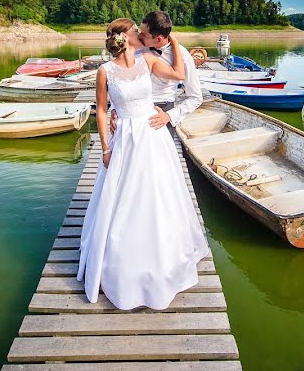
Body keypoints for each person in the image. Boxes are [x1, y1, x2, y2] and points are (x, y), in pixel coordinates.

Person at [77, 18, 210, 310]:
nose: (140, 34)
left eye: (143, 31)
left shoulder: (149, 58)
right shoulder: (105, 70)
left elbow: (178, 75)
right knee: (124, 196)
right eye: (136, 31)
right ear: (125, 38)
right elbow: (101, 109)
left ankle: (162, 255)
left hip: (152, 133)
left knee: (157, 194)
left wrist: (173, 40)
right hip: (124, 136)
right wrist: (106, 145)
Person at [110, 11, 203, 137]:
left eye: (143, 34)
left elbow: (196, 97)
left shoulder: (183, 56)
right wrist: (114, 109)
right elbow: (120, 82)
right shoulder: (136, 49)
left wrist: (169, 116)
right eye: (139, 31)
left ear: (158, 39)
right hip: (132, 114)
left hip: (161, 113)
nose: (139, 36)